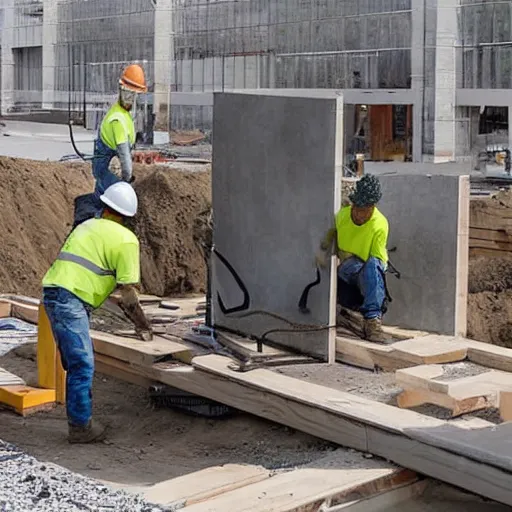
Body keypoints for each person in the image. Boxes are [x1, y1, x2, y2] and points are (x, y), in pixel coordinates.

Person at [42, 181, 153, 443]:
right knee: (82, 364)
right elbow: (128, 295)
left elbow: (87, 271)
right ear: (127, 216)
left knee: (74, 362)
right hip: (71, 301)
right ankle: (80, 429)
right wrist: (143, 325)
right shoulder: (127, 240)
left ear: (105, 206)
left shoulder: (86, 226)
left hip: (53, 294)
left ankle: (78, 417)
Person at [316, 174, 391, 344]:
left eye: (365, 210)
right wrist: (321, 254)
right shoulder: (342, 217)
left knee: (373, 266)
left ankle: (372, 322)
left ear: (372, 207)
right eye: (357, 208)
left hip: (369, 272)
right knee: (353, 265)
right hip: (347, 269)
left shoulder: (379, 224)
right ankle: (354, 315)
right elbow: (328, 237)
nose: (359, 214)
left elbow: (378, 262)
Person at [73, 64, 147, 227]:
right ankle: (90, 225)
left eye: (133, 95)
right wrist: (127, 178)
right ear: (122, 90)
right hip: (109, 169)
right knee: (106, 204)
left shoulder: (122, 113)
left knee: (104, 199)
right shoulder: (118, 120)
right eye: (128, 93)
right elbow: (124, 158)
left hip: (108, 167)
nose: (130, 99)